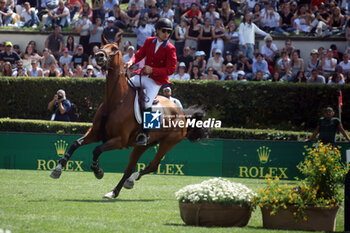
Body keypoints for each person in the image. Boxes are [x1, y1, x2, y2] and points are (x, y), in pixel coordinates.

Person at [124, 18, 177, 145]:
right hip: (142, 75)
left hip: (155, 81)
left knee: (148, 105)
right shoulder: (149, 41)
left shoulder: (170, 48)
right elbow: (139, 54)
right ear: (157, 30)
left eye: (168, 32)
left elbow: (170, 70)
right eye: (164, 31)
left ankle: (146, 134)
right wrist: (131, 61)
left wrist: (153, 70)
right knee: (124, 88)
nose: (166, 34)